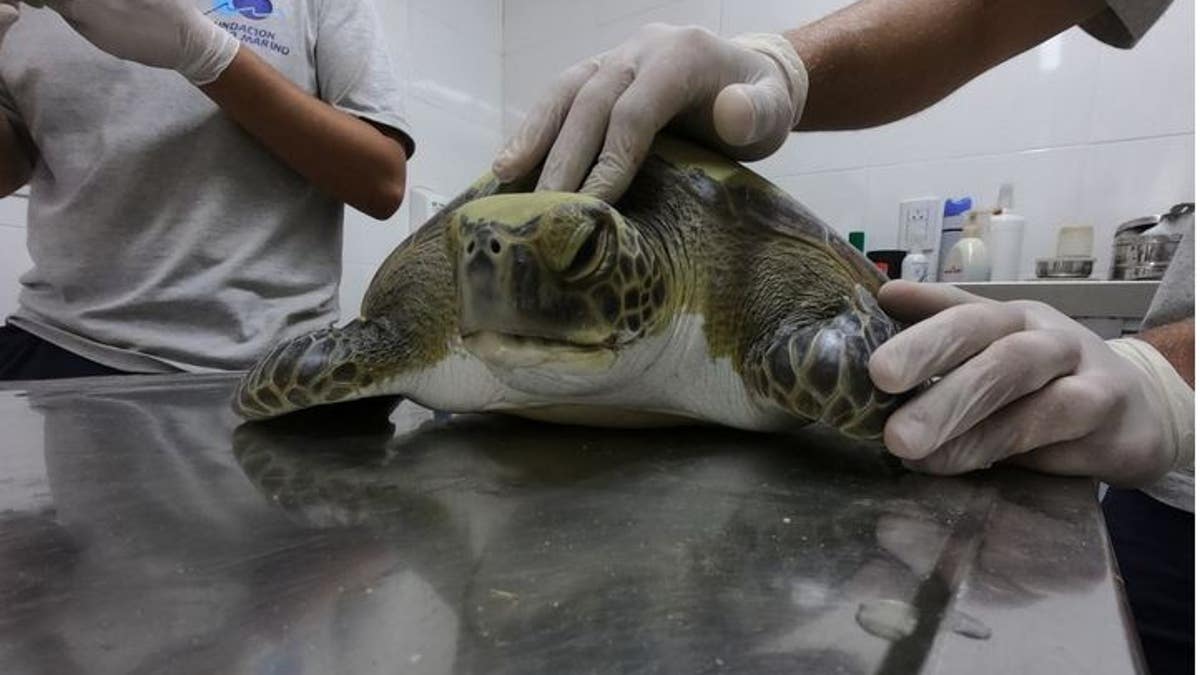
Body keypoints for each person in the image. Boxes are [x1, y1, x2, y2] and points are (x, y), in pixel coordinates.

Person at [493, 1, 1193, 673]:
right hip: (1158, 510)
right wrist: (782, 67)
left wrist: (1170, 385)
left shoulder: (780, 340)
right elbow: (982, 12)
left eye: (583, 256)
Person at [0, 0, 412, 380]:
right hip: (57, 347)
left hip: (265, 368)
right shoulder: (32, 11)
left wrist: (207, 55)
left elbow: (380, 183)